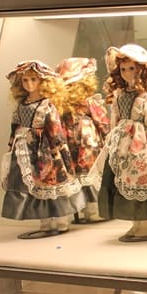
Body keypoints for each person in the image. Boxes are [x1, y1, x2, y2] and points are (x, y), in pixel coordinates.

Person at [95, 44, 147, 241]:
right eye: (123, 69)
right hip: (121, 143)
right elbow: (115, 117)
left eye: (132, 68)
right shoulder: (119, 94)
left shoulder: (146, 97)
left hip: (141, 144)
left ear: (141, 70)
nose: (127, 73)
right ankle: (135, 223)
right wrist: (112, 139)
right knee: (124, 182)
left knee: (142, 180)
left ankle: (144, 224)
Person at [1, 60, 84, 238]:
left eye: (33, 79)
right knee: (32, 185)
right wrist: (11, 144)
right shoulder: (21, 104)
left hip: (43, 149)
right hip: (23, 149)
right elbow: (14, 126)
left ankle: (61, 220)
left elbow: (54, 128)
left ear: (42, 81)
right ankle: (45, 222)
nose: (29, 84)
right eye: (25, 80)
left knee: (50, 182)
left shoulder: (46, 105)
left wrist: (56, 150)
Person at [56, 57, 110, 223]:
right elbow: (101, 120)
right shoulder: (86, 102)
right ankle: (91, 209)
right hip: (83, 138)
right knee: (87, 172)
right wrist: (106, 133)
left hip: (75, 139)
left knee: (82, 172)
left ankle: (88, 208)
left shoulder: (66, 103)